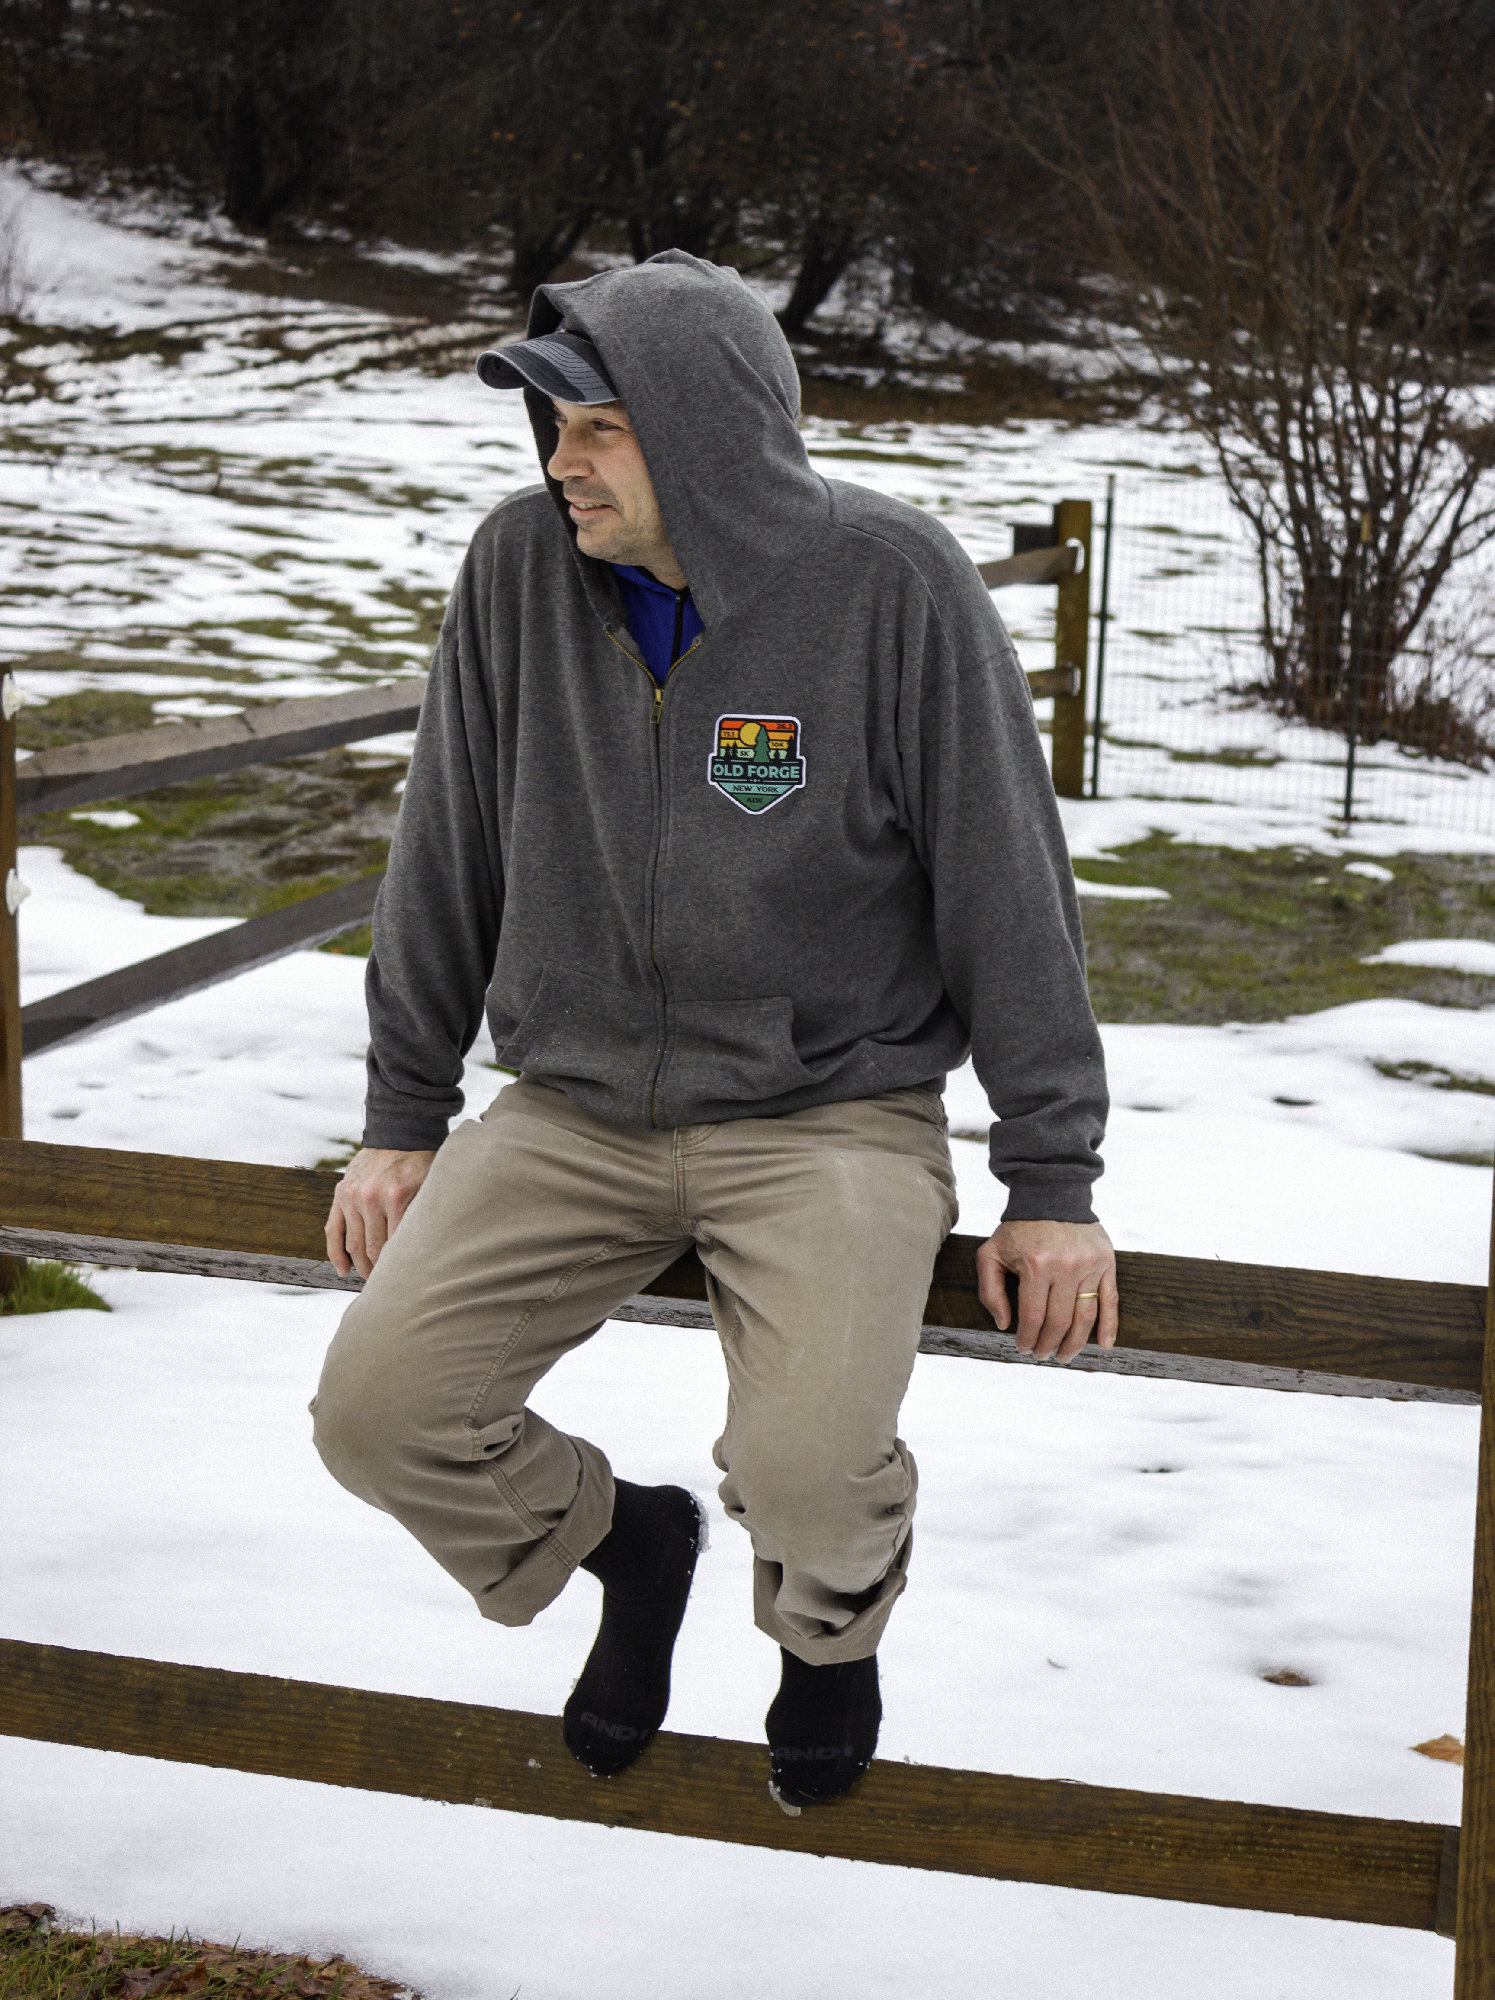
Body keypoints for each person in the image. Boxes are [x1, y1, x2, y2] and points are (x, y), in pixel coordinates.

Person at [311, 250, 1116, 1813]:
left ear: (704, 431)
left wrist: (1055, 1179)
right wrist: (404, 1110)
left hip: (833, 1111)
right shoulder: (517, 571)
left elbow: (1006, 886)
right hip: (572, 1109)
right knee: (378, 1414)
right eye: (553, 427)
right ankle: (631, 1545)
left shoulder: (891, 586)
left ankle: (826, 1634)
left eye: (599, 427)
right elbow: (447, 849)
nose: (562, 464)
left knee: (817, 1473)